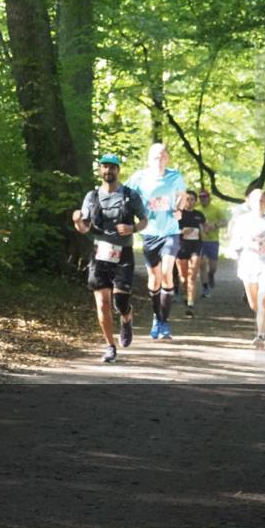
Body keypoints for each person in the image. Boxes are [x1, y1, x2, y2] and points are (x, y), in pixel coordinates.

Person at [72, 154, 148, 363]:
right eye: (105, 167)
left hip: (123, 253)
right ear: (100, 170)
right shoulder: (92, 196)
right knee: (102, 303)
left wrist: (132, 228)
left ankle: (127, 316)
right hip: (99, 254)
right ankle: (109, 346)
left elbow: (144, 221)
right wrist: (77, 220)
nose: (108, 171)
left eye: (112, 167)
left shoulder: (130, 195)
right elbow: (84, 227)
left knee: (119, 302)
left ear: (118, 170)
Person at [125, 143, 187, 340]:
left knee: (168, 271)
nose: (159, 160)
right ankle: (156, 316)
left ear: (167, 158)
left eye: (162, 156)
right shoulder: (139, 177)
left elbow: (183, 197)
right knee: (154, 278)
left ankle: (164, 322)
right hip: (149, 233)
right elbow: (124, 194)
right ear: (149, 159)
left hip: (170, 231)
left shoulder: (175, 176)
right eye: (155, 157)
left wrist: (179, 209)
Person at [229, 188, 265, 349]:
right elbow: (235, 242)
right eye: (256, 200)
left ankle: (260, 336)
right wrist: (247, 243)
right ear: (249, 202)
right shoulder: (242, 220)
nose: (259, 203)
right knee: (253, 304)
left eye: (262, 200)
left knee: (262, 299)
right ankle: (264, 319)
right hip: (248, 264)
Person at [175, 190, 206, 318]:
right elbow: (171, 229)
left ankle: (190, 304)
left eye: (193, 199)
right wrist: (182, 231)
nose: (190, 201)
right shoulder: (178, 214)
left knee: (192, 276)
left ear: (195, 201)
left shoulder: (199, 214)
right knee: (183, 277)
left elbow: (204, 228)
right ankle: (185, 293)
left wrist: (204, 230)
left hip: (196, 246)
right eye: (187, 199)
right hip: (181, 247)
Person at [197, 189, 228, 298]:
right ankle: (205, 288)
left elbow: (225, 222)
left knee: (213, 267)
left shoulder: (216, 209)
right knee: (202, 264)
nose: (202, 199)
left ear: (209, 198)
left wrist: (214, 225)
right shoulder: (197, 210)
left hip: (213, 241)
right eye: (200, 197)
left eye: (204, 197)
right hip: (200, 241)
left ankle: (211, 275)